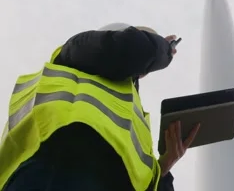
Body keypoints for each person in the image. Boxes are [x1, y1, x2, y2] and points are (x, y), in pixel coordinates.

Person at [0, 22, 200, 191]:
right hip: (60, 167)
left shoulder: (132, 113)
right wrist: (164, 49)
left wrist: (164, 169)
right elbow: (132, 49)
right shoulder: (77, 51)